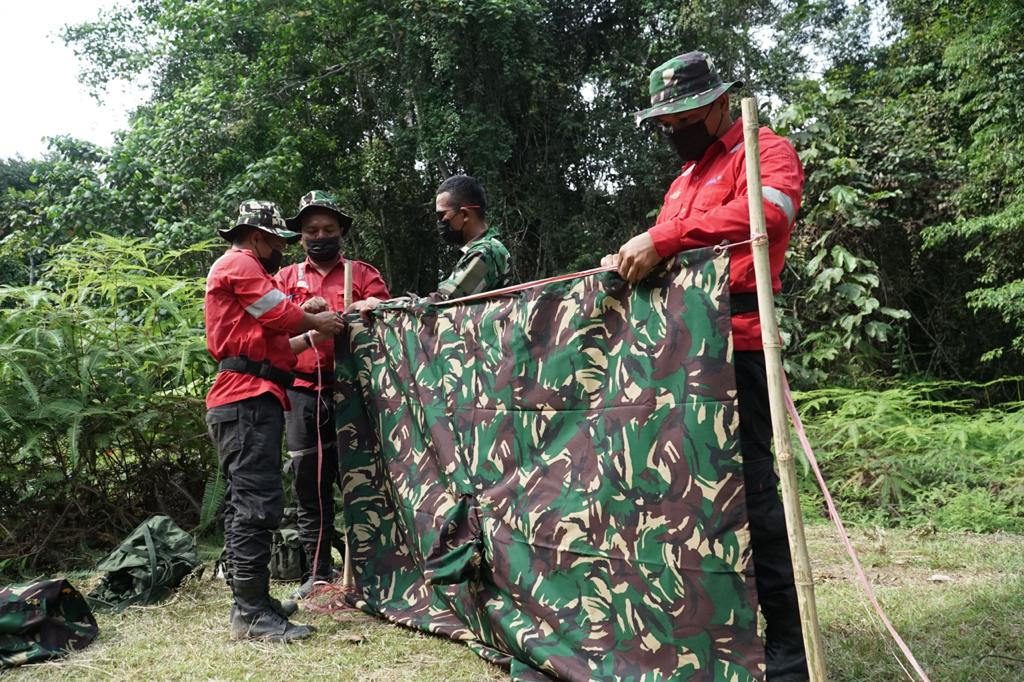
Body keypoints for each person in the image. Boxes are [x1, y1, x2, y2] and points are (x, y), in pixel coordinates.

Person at [601, 51, 808, 681]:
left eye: (682, 116)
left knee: (754, 501)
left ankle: (787, 652)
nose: (673, 129)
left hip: (740, 344)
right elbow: (666, 246)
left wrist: (663, 240)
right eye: (663, 122)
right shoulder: (682, 179)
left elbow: (769, 216)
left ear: (720, 102)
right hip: (678, 357)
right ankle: (698, 631)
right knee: (682, 501)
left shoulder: (763, 148)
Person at [204, 200, 345, 642]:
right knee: (255, 504)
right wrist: (315, 315)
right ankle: (250, 614)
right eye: (278, 241)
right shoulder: (239, 263)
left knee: (248, 501)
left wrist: (316, 331)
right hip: (245, 399)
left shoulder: (246, 273)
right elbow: (280, 314)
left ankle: (253, 601)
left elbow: (281, 344)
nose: (282, 250)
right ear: (258, 236)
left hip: (256, 394)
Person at [274, 190, 391, 599]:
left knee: (362, 478)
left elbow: (387, 323)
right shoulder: (285, 280)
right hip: (304, 391)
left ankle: (372, 568)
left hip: (355, 392)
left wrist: (369, 308)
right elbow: (270, 329)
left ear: (341, 230)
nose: (319, 236)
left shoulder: (361, 273)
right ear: (300, 236)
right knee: (310, 482)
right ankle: (319, 570)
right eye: (311, 231)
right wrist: (307, 316)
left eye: (327, 229)